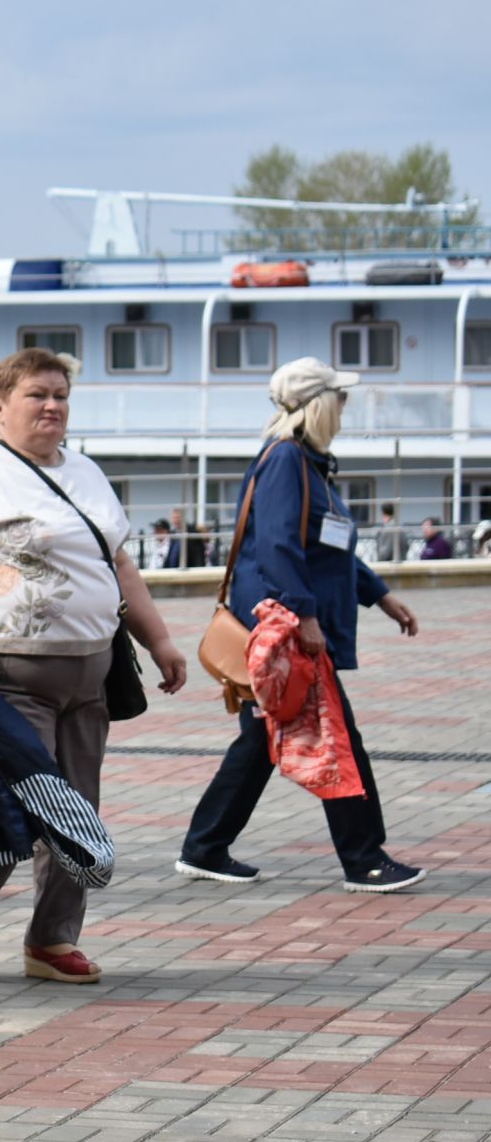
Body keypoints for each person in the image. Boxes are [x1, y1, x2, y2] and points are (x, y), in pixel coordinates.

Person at [0, 347, 186, 984]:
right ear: (0, 405)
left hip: (88, 676)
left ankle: (51, 939)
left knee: (77, 815)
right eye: (38, 395)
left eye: (61, 395)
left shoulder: (87, 473)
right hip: (7, 676)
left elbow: (121, 568)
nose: (53, 406)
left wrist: (161, 642)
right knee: (17, 807)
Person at [177, 357, 424, 894]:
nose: (346, 406)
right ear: (318, 404)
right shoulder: (287, 460)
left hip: (290, 625)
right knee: (336, 739)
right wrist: (305, 614)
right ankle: (364, 860)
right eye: (340, 396)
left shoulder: (308, 462)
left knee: (264, 739)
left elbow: (329, 547)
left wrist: (379, 596)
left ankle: (205, 846)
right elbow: (278, 544)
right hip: (285, 630)